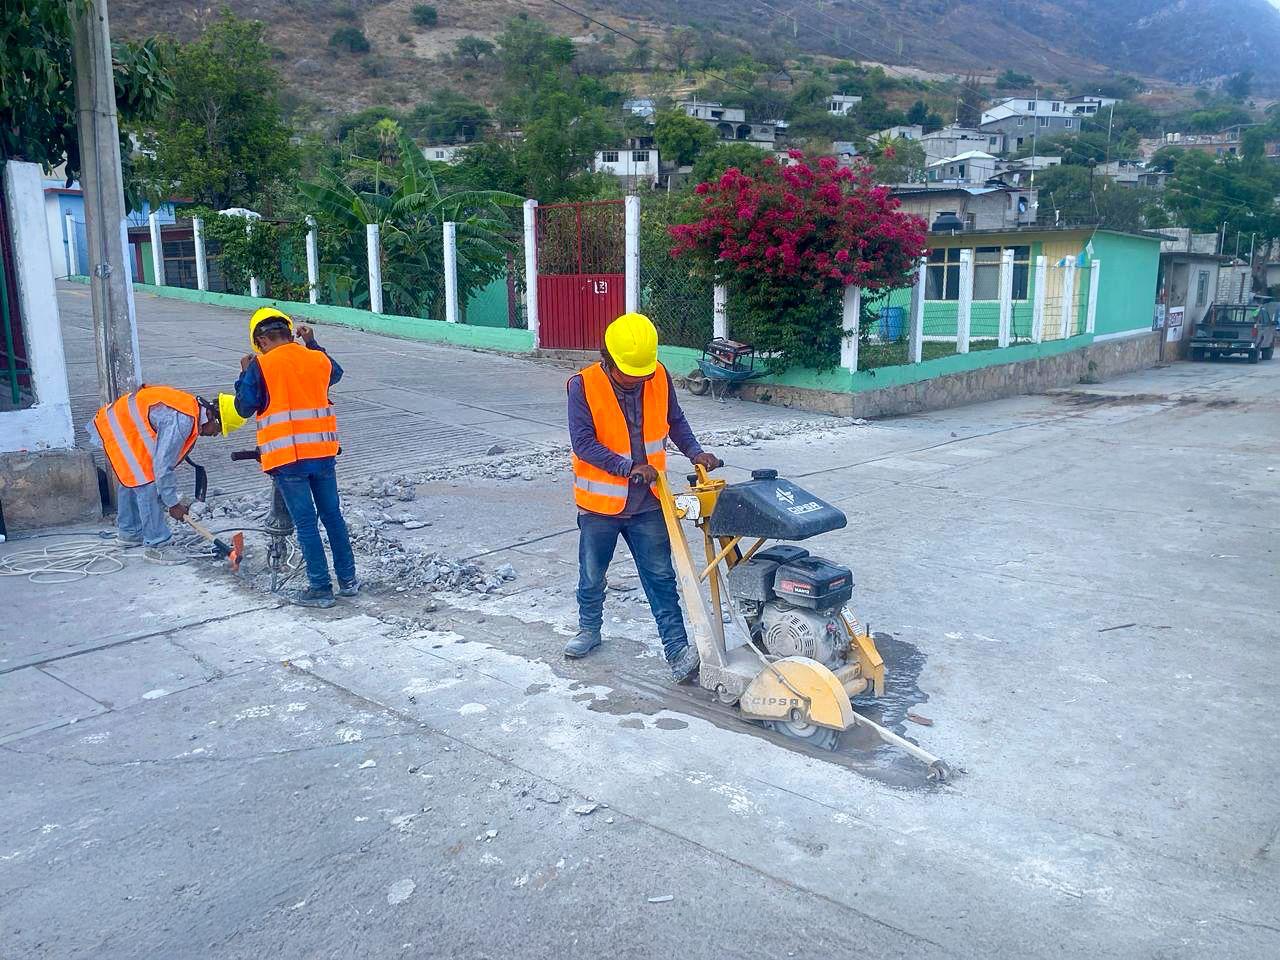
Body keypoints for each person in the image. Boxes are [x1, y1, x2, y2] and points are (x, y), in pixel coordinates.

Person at [565, 312, 722, 683]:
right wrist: (627, 466)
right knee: (591, 574)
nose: (638, 379)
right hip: (599, 506)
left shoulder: (658, 376)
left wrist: (695, 452)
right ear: (608, 359)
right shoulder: (582, 386)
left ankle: (677, 650)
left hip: (649, 501)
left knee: (662, 576)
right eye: (630, 373)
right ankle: (589, 629)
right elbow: (584, 445)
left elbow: (675, 421)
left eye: (644, 373)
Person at [234, 307, 356, 608]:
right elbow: (335, 373)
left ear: (260, 340)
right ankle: (349, 580)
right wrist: (313, 343)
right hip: (323, 453)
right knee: (333, 517)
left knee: (305, 523)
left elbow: (243, 407)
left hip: (288, 458)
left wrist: (243, 373)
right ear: (291, 334)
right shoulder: (316, 358)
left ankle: (320, 588)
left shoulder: (261, 366)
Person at [88, 385, 222, 561]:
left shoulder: (189, 408)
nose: (215, 435)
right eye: (218, 430)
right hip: (119, 426)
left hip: (116, 422)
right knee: (146, 480)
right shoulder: (183, 420)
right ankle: (157, 545)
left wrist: (168, 497)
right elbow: (162, 466)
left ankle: (130, 532)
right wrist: (173, 504)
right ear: (212, 417)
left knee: (132, 476)